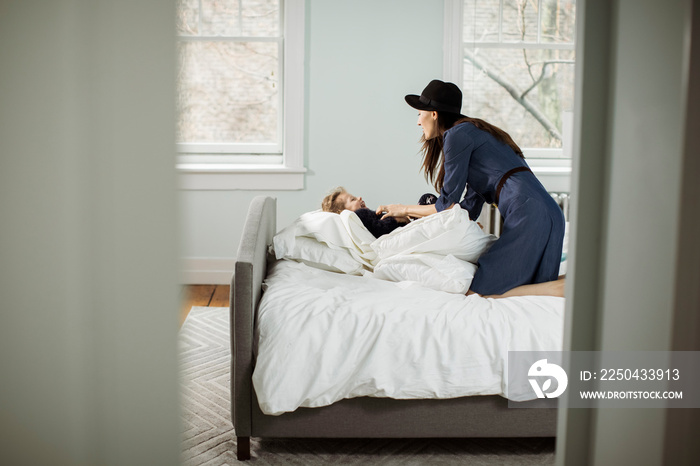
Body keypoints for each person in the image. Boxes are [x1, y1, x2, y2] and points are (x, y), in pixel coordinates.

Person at [375, 79, 566, 298]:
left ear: (434, 113)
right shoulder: (475, 133)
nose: (418, 122)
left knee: (478, 291)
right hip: (549, 213)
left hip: (529, 214)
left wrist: (402, 209)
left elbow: (445, 205)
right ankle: (568, 284)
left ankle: (562, 288)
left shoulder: (456, 136)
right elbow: (468, 208)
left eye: (419, 113)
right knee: (533, 283)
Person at [321, 187, 437, 238]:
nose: (359, 197)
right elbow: (380, 229)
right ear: (346, 212)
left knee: (426, 199)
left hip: (406, 225)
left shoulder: (364, 217)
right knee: (427, 199)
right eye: (353, 199)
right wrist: (396, 219)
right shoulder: (360, 215)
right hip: (404, 230)